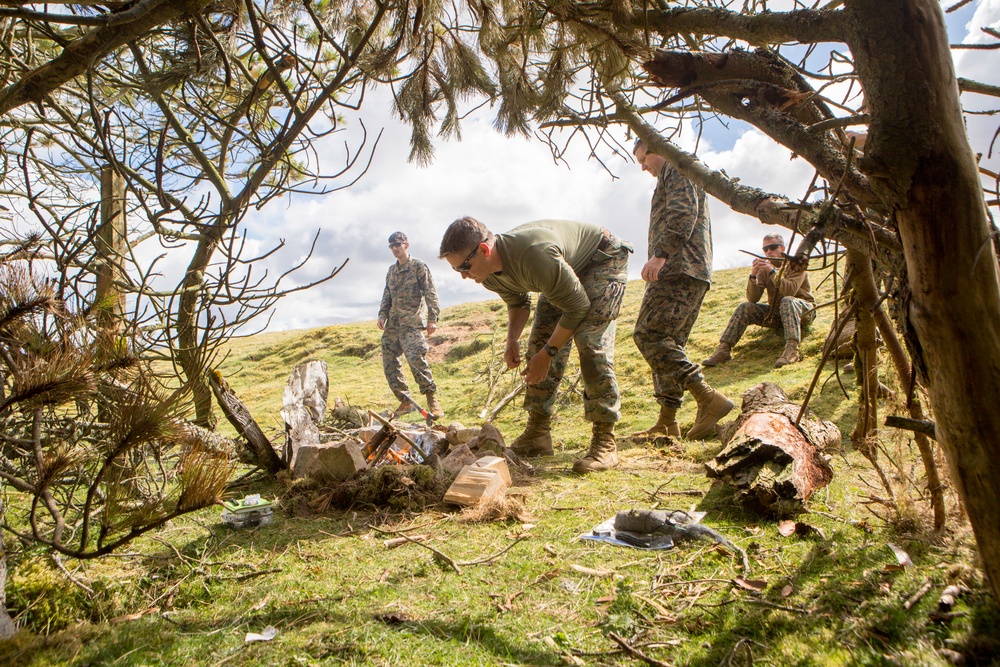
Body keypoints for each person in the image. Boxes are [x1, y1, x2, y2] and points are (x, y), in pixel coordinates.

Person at [439, 217, 632, 473]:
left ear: (484, 250)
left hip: (602, 258)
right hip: (559, 274)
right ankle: (538, 434)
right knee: (538, 343)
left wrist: (549, 353)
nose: (463, 276)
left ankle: (605, 443)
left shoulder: (534, 255)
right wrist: (512, 340)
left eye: (464, 266)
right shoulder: (486, 274)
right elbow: (518, 303)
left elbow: (577, 307)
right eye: (457, 270)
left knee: (590, 341)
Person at [629, 139, 733, 441]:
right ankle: (667, 421)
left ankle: (707, 397)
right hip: (691, 269)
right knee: (669, 343)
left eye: (643, 158)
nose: (643, 167)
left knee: (649, 335)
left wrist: (661, 253)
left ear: (657, 149)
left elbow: (683, 213)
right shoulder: (680, 171)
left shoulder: (676, 168)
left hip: (678, 267)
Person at [702, 234, 815, 368]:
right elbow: (753, 299)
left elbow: (789, 291)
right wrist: (753, 275)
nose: (768, 252)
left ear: (782, 248)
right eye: (765, 249)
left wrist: (772, 271)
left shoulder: (796, 265)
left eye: (772, 247)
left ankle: (792, 350)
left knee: (787, 300)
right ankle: (723, 350)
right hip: (779, 314)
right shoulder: (765, 269)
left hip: (804, 312)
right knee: (745, 307)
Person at [378, 231, 444, 418]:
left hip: (411, 323)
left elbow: (430, 292)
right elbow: (387, 295)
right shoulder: (392, 271)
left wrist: (433, 318)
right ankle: (405, 401)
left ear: (407, 245)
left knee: (416, 359)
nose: (394, 249)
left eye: (398, 245)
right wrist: (382, 315)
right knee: (389, 362)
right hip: (393, 325)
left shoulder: (418, 267)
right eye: (391, 246)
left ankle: (432, 399)